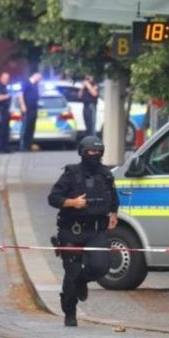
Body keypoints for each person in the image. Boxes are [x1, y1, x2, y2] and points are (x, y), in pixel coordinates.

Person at [47, 136, 118, 327]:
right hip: (72, 231)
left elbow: (113, 198)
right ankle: (70, 313)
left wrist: (113, 213)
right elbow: (53, 198)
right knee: (71, 274)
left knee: (100, 266)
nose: (94, 155)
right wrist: (72, 203)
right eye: (90, 152)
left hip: (96, 231)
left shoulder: (106, 175)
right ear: (82, 152)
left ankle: (82, 281)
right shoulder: (71, 174)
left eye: (98, 152)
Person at [17, 71, 42, 151]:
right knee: (25, 127)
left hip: (34, 109)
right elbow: (20, 95)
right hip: (27, 109)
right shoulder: (26, 83)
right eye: (39, 78)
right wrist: (23, 106)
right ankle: (22, 146)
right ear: (35, 76)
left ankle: (28, 145)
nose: (40, 80)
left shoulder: (35, 85)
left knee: (31, 127)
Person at [0, 72, 12, 153]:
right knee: (1, 130)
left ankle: (5, 148)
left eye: (7, 79)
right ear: (1, 78)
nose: (6, 80)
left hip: (6, 111)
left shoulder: (6, 87)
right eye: (5, 78)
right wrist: (8, 95)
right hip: (1, 111)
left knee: (6, 130)